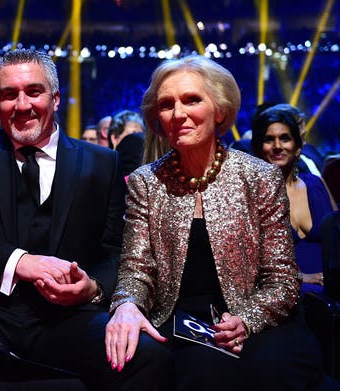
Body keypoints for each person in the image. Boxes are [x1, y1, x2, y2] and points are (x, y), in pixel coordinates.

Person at [0, 48, 169, 390]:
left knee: (143, 355)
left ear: (55, 99)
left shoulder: (102, 162)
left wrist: (92, 288)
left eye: (33, 92)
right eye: (9, 95)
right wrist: (19, 263)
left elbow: (115, 252)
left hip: (69, 318)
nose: (22, 105)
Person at [106, 55, 325, 390]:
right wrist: (127, 305)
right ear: (157, 119)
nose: (179, 114)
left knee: (278, 369)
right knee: (201, 371)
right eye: (167, 105)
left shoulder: (260, 177)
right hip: (181, 322)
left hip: (263, 319)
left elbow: (282, 279)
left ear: (220, 110)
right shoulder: (144, 182)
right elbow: (136, 271)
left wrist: (246, 320)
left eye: (192, 100)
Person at [251, 105, 337, 294]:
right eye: (268, 140)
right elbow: (246, 259)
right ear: (258, 149)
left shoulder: (316, 184)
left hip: (330, 288)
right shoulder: (251, 196)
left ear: (297, 147)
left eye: (285, 138)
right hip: (282, 292)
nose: (277, 146)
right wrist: (300, 277)